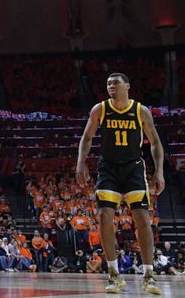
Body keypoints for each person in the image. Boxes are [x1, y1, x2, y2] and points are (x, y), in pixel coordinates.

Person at [76, 73, 165, 295]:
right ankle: (114, 275)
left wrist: (159, 171)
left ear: (127, 86)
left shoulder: (140, 111)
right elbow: (87, 138)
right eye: (108, 83)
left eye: (115, 83)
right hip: (108, 168)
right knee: (104, 216)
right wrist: (80, 163)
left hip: (134, 167)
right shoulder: (100, 109)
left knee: (143, 219)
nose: (111, 86)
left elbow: (154, 142)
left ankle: (148, 275)